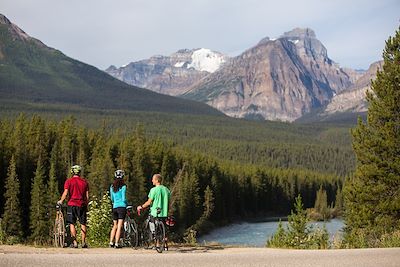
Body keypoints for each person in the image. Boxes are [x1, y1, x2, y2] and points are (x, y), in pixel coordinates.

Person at [58, 165, 89, 248]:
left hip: (72, 204)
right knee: (83, 223)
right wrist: (86, 204)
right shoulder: (84, 182)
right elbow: (87, 196)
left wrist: (61, 201)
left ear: (72, 172)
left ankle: (75, 242)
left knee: (72, 223)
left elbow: (66, 193)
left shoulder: (69, 181)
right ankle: (83, 242)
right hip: (82, 204)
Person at [137, 173, 171, 250]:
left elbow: (149, 202)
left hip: (155, 212)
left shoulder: (153, 190)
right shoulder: (166, 190)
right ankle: (165, 246)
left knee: (155, 229)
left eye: (153, 179)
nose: (152, 180)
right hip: (164, 212)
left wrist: (141, 207)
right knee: (164, 229)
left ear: (157, 180)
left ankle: (158, 245)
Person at [109, 169, 127, 249]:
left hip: (115, 207)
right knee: (119, 226)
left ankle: (111, 242)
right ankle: (117, 243)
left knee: (114, 225)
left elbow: (112, 198)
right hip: (122, 207)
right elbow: (123, 198)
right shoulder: (123, 186)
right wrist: (127, 203)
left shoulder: (112, 186)